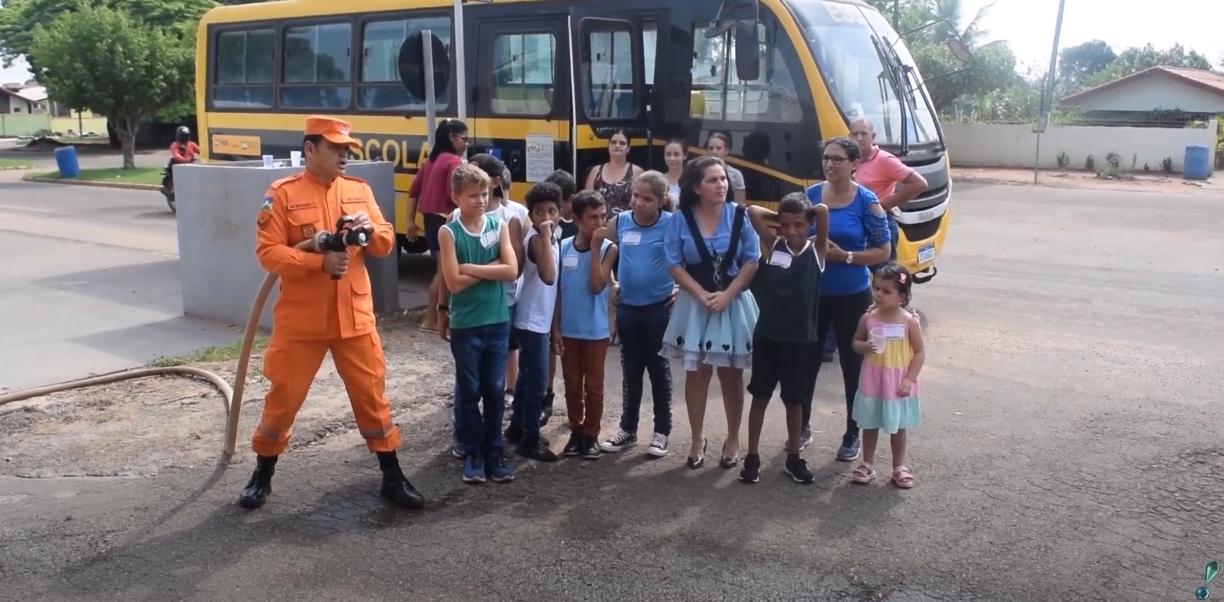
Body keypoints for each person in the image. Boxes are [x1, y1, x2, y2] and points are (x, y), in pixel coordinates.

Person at [239, 115, 423, 510]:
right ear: (310, 149)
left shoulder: (358, 190)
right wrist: (316, 262)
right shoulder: (283, 193)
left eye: (346, 149)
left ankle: (392, 477)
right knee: (283, 399)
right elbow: (267, 253)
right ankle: (262, 473)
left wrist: (369, 231)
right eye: (336, 148)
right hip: (301, 321)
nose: (344, 155)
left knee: (372, 398)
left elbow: (386, 242)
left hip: (354, 316)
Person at [661, 156, 760, 470]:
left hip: (733, 302)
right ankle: (696, 437)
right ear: (695, 187)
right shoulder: (681, 218)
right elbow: (673, 263)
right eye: (713, 180)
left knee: (732, 374)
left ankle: (733, 437)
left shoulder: (739, 215)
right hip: (695, 302)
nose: (721, 185)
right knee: (697, 372)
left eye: (723, 179)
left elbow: (752, 260)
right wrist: (700, 293)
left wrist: (728, 294)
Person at [799, 137, 891, 461]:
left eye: (838, 159)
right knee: (806, 363)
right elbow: (795, 235)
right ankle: (802, 426)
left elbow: (884, 250)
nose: (830, 164)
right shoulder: (810, 195)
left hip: (853, 296)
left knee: (853, 367)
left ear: (854, 164)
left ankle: (852, 433)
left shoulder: (867, 202)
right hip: (814, 294)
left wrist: (847, 257)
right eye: (826, 158)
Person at [437, 164, 519, 484]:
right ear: (456, 197)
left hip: (497, 321)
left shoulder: (499, 224)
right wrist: (490, 267)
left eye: (485, 194)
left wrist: (471, 267)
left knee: (495, 390)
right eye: (473, 196)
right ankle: (473, 451)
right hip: (466, 324)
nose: (482, 201)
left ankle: (494, 450)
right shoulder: (449, 232)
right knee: (469, 390)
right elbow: (453, 283)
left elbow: (511, 270)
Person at [740, 193, 828, 484]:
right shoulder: (774, 244)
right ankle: (751, 456)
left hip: (799, 341)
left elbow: (824, 211)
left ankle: (793, 456)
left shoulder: (817, 251)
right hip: (767, 336)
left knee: (794, 401)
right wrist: (779, 217)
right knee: (760, 397)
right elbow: (752, 211)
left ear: (809, 225)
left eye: (799, 225)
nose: (791, 231)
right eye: (785, 225)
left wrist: (811, 211)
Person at [598, 171, 675, 458]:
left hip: (659, 309)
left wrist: (679, 288)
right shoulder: (620, 222)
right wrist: (612, 283)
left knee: (658, 370)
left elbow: (687, 258)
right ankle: (628, 429)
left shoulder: (671, 224)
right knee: (631, 371)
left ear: (661, 201)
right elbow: (600, 251)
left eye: (647, 198)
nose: (638, 203)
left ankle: (661, 432)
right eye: (636, 196)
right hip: (628, 308)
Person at [553, 190, 618, 460]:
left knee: (594, 385)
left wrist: (594, 250)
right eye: (592, 217)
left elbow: (596, 285)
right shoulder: (563, 247)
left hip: (595, 331)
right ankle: (576, 431)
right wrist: (554, 328)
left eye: (603, 216)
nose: (599, 223)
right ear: (577, 219)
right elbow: (556, 292)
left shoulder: (608, 249)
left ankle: (591, 434)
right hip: (569, 330)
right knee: (571, 384)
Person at [849, 263, 925, 488]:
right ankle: (867, 463)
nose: (879, 294)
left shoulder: (909, 321)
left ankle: (898, 466)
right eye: (876, 288)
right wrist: (865, 347)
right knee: (870, 422)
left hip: (897, 381)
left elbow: (920, 352)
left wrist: (909, 379)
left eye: (886, 291)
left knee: (899, 425)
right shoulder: (868, 318)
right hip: (873, 379)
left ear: (902, 296)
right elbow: (855, 343)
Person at [504, 182, 564, 462]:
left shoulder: (553, 238)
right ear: (532, 215)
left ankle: (517, 428)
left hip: (540, 320)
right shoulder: (534, 239)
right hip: (529, 320)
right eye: (540, 212)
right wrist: (545, 232)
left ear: (561, 211)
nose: (547, 217)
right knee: (537, 382)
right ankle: (529, 437)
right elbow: (548, 276)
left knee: (528, 378)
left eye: (552, 211)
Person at [407, 119, 470, 334]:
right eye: (465, 139)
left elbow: (413, 193)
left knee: (441, 270)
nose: (466, 144)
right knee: (443, 272)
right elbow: (453, 196)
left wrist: (409, 222)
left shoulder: (430, 162)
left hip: (429, 220)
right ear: (452, 137)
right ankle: (431, 318)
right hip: (446, 220)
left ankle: (436, 317)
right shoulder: (454, 163)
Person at [849, 118, 928, 261]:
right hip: (856, 223)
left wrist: (883, 206)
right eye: (855, 134)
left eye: (864, 134)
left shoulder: (884, 160)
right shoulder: (848, 159)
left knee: (884, 276)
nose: (859, 138)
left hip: (878, 225)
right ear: (849, 137)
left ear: (872, 137)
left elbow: (919, 183)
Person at [540, 169, 580, 425]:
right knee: (547, 349)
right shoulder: (545, 226)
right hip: (546, 298)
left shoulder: (576, 225)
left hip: (569, 298)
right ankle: (546, 395)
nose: (552, 212)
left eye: (557, 206)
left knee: (567, 351)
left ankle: (572, 403)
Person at [583, 129, 643, 214]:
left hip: (627, 225)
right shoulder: (595, 171)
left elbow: (641, 203)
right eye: (613, 142)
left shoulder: (637, 172)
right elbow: (586, 204)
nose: (617, 146)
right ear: (608, 146)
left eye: (622, 143)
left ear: (628, 148)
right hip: (599, 225)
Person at [705, 132, 747, 203]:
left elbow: (740, 204)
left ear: (726, 151)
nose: (714, 151)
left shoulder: (735, 174)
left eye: (718, 148)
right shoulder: (699, 171)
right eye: (711, 148)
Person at [663, 139, 687, 206]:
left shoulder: (692, 180)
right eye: (668, 154)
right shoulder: (659, 180)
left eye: (676, 155)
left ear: (684, 156)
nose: (672, 158)